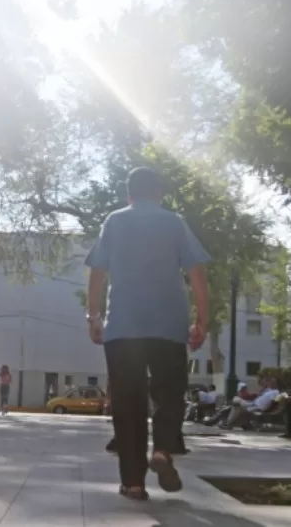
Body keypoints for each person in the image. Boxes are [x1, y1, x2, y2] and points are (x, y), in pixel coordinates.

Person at [85, 167, 209, 501]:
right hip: (168, 325)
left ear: (129, 194)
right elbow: (197, 273)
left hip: (123, 326)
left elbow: (98, 272)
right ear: (160, 194)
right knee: (170, 393)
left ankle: (134, 483)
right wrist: (202, 320)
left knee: (129, 405)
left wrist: (93, 316)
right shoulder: (174, 222)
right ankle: (164, 451)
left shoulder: (114, 221)